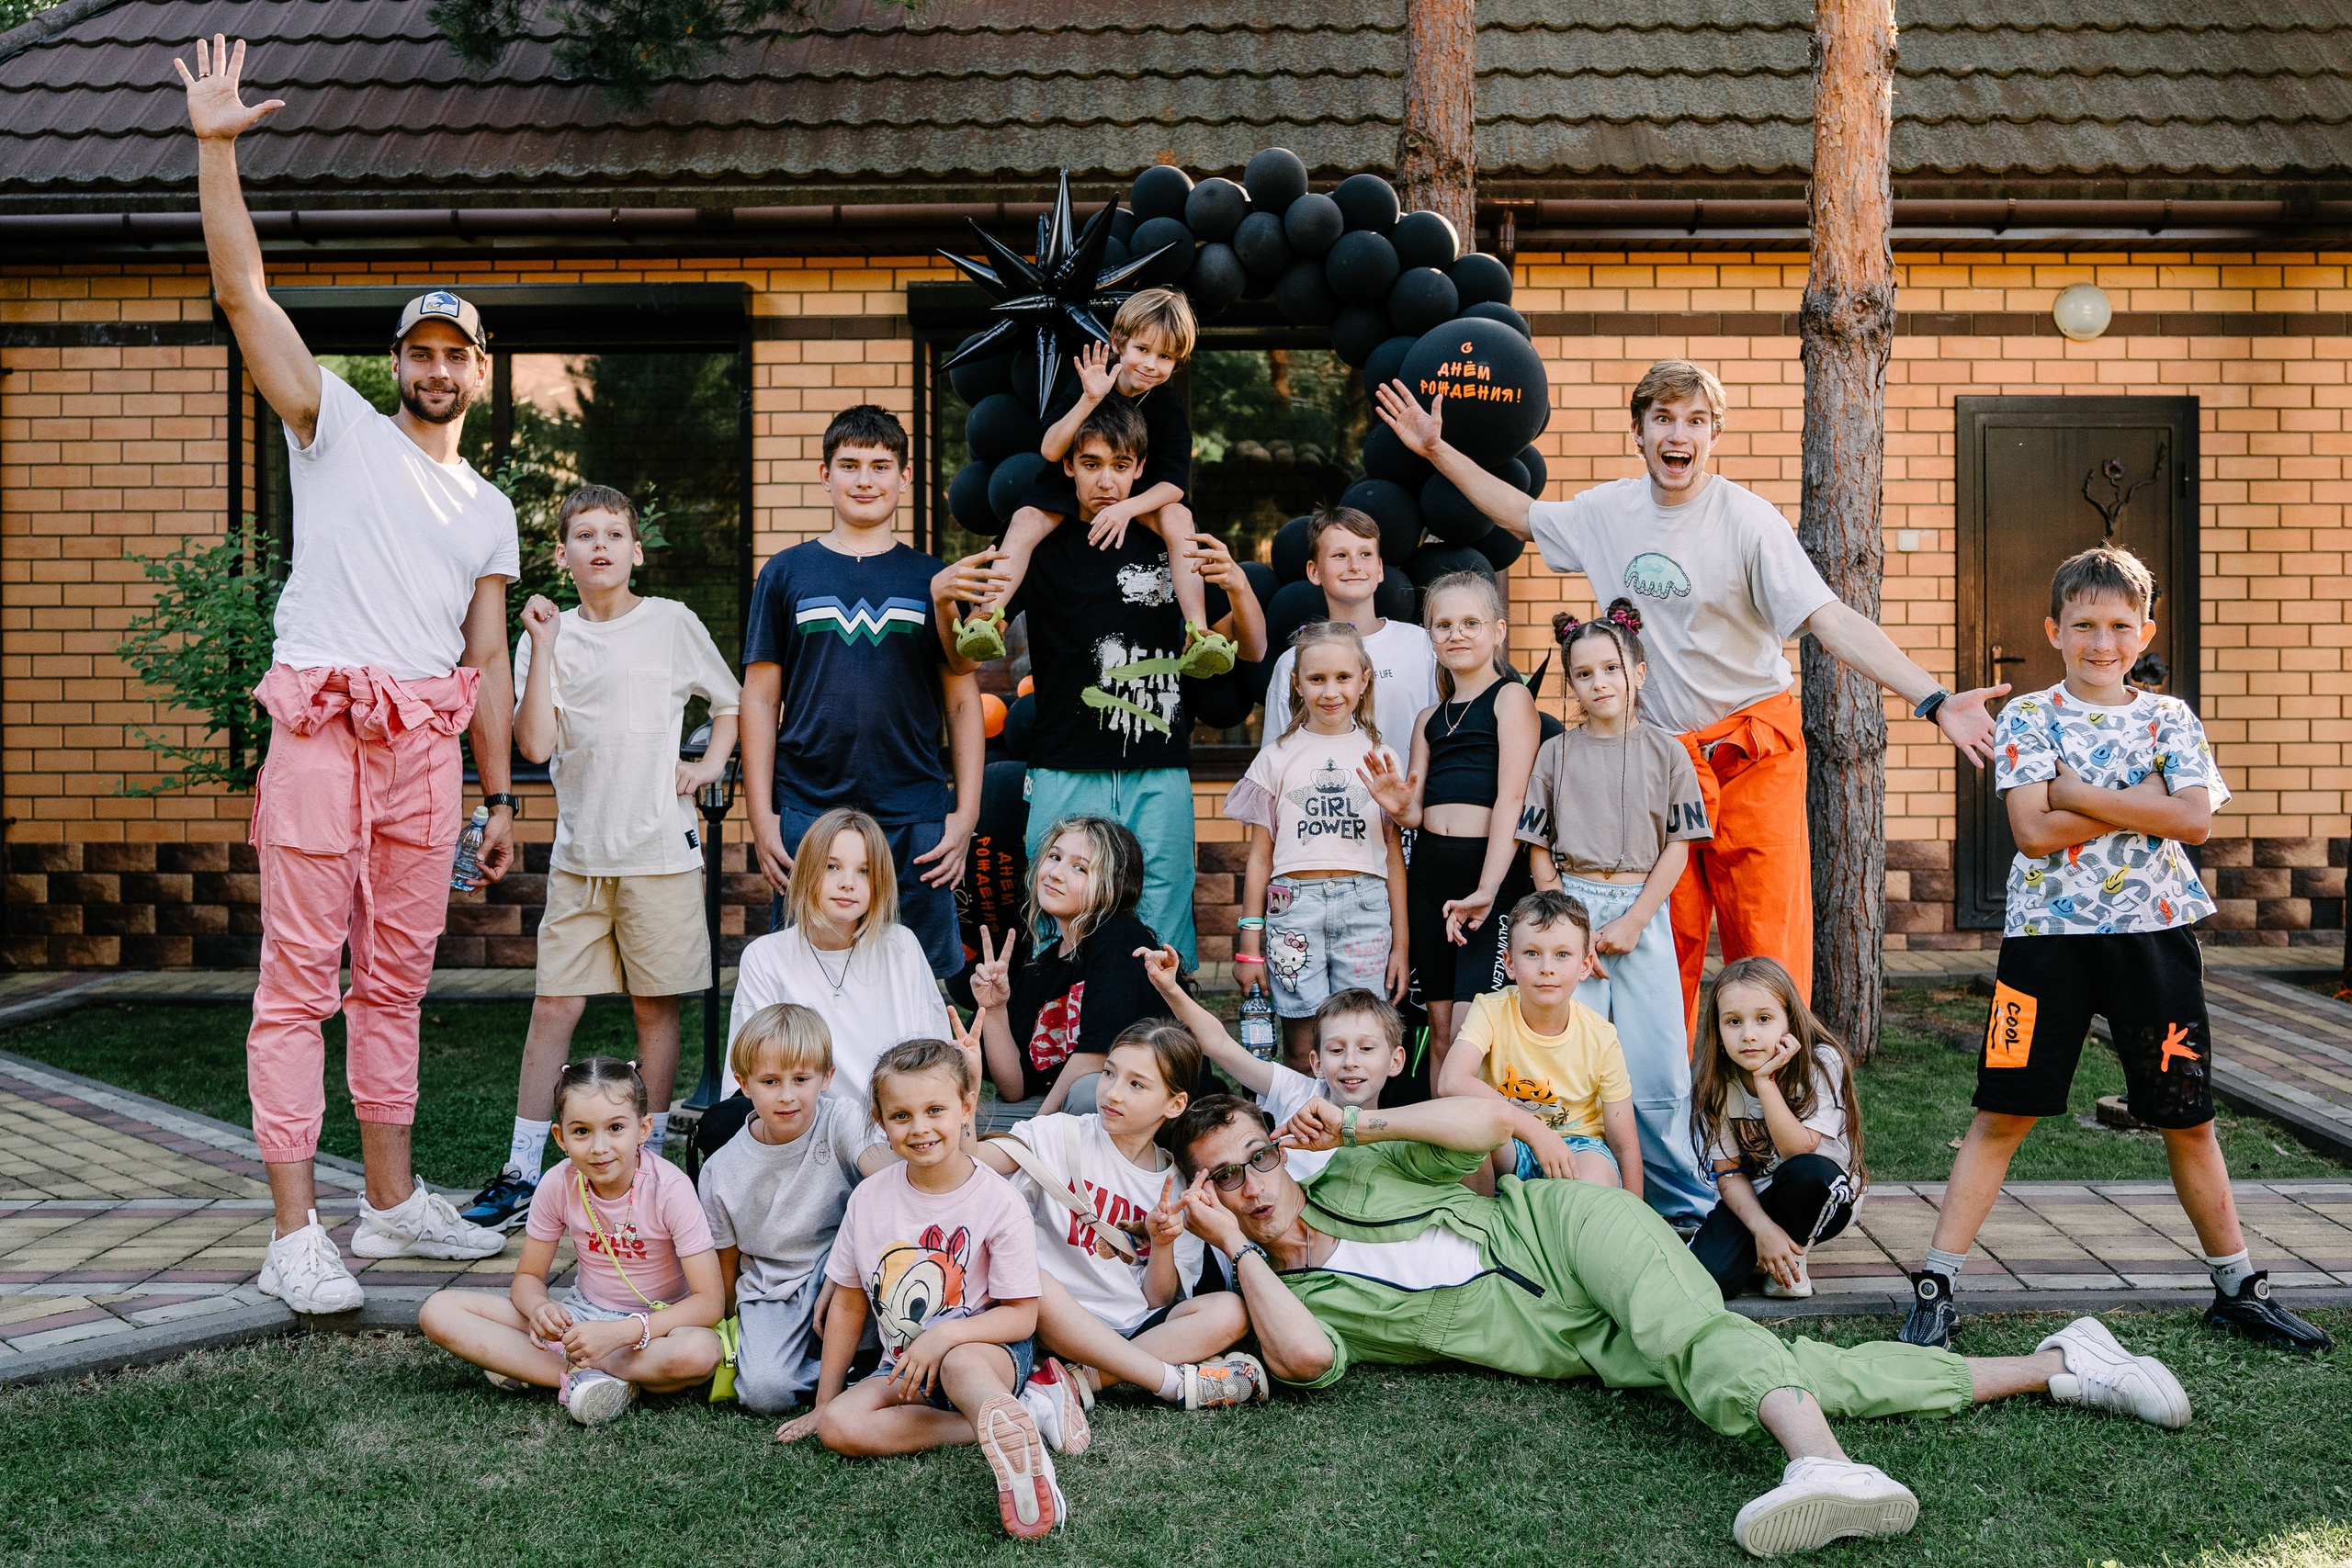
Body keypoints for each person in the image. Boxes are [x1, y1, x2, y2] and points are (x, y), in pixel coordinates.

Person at [1167, 1092, 2197, 1557]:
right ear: (1200, 1195)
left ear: (1281, 1153)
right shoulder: (1278, 1299)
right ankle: (2064, 1361)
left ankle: (1818, 1469)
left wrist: (1355, 1121)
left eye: (1259, 1159)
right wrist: (1244, 1250)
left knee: (1696, 1340)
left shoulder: (1353, 1169)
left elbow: (1484, 1125)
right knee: (1794, 1367)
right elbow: (1304, 1360)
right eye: (1222, 1179)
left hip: (1571, 1230)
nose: (1252, 1186)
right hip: (1573, 1345)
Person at [178, 36, 515, 1311]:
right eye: (420, 349)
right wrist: (217, 151)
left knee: (399, 980)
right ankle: (292, 1229)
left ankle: (386, 1205)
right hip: (323, 730)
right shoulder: (334, 426)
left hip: (428, 756)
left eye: (458, 353)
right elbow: (243, 293)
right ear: (397, 361)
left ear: (481, 373)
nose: (437, 368)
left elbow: (484, 654)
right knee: (297, 982)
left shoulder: (488, 506)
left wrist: (500, 797)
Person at [1375, 359, 2007, 1032]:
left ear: (1714, 435)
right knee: (1657, 947)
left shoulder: (1748, 521)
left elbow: (1830, 618)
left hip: (1752, 751)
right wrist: (1436, 448)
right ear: (1639, 432)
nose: (1681, 434)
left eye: (1696, 421)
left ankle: (1775, 1107)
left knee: (1767, 945)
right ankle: (1664, 1114)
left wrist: (1934, 698)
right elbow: (1521, 514)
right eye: (1665, 419)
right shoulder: (1607, 512)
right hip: (1659, 760)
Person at [1900, 546, 2333, 1355]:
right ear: (2054, 631)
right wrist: (2144, 803)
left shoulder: (2172, 719)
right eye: (2085, 625)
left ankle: (2238, 1287)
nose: (2102, 641)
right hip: (2045, 945)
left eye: (2119, 626)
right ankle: (1935, 1287)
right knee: (2001, 1114)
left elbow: (2196, 821)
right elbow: (2032, 834)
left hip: (2154, 938)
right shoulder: (2029, 716)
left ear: (2145, 633)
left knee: (2187, 1117)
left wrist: (2080, 793)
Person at [461, 485, 741, 1229]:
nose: (600, 545)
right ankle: (522, 1171)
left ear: (635, 550)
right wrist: (546, 648)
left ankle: (641, 1174)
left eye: (614, 533)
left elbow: (730, 701)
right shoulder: (544, 636)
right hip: (582, 858)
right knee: (554, 1006)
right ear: (563, 555)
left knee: (656, 1008)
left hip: (660, 856)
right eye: (583, 535)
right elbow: (536, 745)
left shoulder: (673, 623)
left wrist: (710, 762)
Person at [1001, 400, 1265, 970]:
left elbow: (1252, 648)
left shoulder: (1169, 543)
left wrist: (1240, 589)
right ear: (1068, 466)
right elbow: (977, 641)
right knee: (1055, 922)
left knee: (1161, 918)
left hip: (1156, 763)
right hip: (1065, 763)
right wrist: (957, 605)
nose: (1105, 479)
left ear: (1141, 469)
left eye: (1120, 465)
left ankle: (1160, 1047)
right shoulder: (1043, 542)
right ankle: (1057, 1046)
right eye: (1090, 463)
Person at [781, 1037, 1065, 1540]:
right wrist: (825, 1402)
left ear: (966, 1108)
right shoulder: (869, 1198)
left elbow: (1021, 1316)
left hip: (987, 1354)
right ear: (881, 1119)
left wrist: (941, 1339)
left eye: (935, 1109)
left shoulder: (998, 1200)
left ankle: (1007, 1424)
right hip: (904, 1368)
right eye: (901, 1115)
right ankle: (1018, 1423)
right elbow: (848, 1302)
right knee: (840, 1427)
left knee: (958, 1363)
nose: (920, 1128)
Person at [741, 404, 983, 982]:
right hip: (809, 807)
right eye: (849, 465)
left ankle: (920, 1079)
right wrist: (762, 817)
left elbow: (962, 700)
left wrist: (964, 816)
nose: (864, 480)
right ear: (825, 475)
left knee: (921, 980)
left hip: (915, 812)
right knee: (809, 981)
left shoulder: (935, 580)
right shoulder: (785, 573)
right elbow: (758, 699)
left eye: (880, 466)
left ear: (904, 478)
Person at [1517, 599, 1716, 1224]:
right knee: (1570, 1055)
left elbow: (1679, 848)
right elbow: (1538, 850)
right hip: (1572, 913)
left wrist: (1630, 922)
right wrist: (1573, 929)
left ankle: (1683, 1208)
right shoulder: (1556, 754)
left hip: (1640, 914)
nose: (1599, 682)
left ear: (1639, 671)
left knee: (1656, 1061)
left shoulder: (1668, 754)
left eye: (1612, 668)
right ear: (1571, 683)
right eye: (1584, 673)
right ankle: (1582, 1196)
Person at [972, 1018, 1264, 1414]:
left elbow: (1155, 1299)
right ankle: (1169, 1382)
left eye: (1136, 1084)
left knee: (1229, 1310)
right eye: (1109, 1073)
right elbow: (968, 1167)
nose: (1112, 1092)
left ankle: (1081, 1379)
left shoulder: (1179, 1188)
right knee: (1032, 1280)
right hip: (1056, 1319)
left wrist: (1162, 1243)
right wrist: (967, 1096)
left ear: (1174, 1104)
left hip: (1134, 1327)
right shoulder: (1058, 1135)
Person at [418, 1058, 725, 1426]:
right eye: (581, 1131)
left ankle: (567, 1370)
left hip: (654, 1328)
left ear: (643, 1129)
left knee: (699, 1353)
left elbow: (710, 1302)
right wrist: (538, 1309)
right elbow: (528, 1278)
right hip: (579, 1319)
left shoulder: (670, 1189)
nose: (599, 1147)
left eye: (615, 1128)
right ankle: (596, 1376)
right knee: (438, 1311)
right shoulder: (557, 1183)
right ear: (561, 1137)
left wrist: (618, 1334)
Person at [956, 288, 1232, 677]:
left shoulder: (1167, 405)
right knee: (1025, 522)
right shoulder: (1090, 381)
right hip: (1070, 490)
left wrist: (1126, 509)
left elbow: (1174, 485)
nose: (1151, 364)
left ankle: (1199, 633)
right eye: (1143, 349)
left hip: (1137, 497)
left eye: (1165, 357)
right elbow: (1051, 450)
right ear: (1119, 341)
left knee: (1179, 519)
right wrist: (1088, 399)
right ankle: (986, 617)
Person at [1360, 571, 1539, 1075]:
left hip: (1488, 877)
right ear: (1430, 636)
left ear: (1498, 631)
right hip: (1430, 878)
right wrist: (1397, 804)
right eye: (1443, 625)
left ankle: (1483, 1152)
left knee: (1470, 1034)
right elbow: (1417, 813)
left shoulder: (1510, 699)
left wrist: (1488, 887)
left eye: (1470, 623)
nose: (1456, 634)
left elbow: (1512, 799)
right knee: (1439, 1032)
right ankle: (1444, 1151)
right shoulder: (1427, 718)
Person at [1227, 622, 1411, 1067]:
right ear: (1297, 682)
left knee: (1362, 1041)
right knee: (1302, 1045)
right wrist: (1249, 944)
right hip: (1295, 910)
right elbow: (1260, 858)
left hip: (1365, 908)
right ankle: (1302, 1135)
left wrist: (1402, 945)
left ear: (1364, 679)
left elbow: (1392, 853)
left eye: (1344, 678)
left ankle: (1363, 1134)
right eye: (1317, 679)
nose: (1331, 691)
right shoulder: (1275, 757)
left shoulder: (1381, 756)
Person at [697, 1004, 876, 1416]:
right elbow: (726, 1260)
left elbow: (888, 1174)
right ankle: (857, 1375)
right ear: (743, 1084)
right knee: (763, 1393)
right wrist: (730, 1325)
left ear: (826, 1077)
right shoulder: (721, 1171)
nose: (787, 1095)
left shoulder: (842, 1119)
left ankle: (865, 1361)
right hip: (772, 1289)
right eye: (770, 1081)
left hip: (848, 1271)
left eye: (801, 1079)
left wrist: (842, 1267)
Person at [726, 808, 959, 1110]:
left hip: (894, 1125)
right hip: (799, 1126)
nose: (848, 883)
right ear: (808, 870)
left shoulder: (900, 946)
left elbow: (934, 1060)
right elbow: (749, 1074)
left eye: (864, 871)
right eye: (832, 867)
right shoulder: (765, 957)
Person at [1143, 944, 1407, 1184]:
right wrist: (1171, 989)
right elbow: (1219, 1044)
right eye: (1336, 1050)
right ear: (1316, 1063)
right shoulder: (1296, 1092)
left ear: (1395, 1061)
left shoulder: (1402, 1130)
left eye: (1366, 1049)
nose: (1350, 1062)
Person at [1439, 891, 1643, 1194]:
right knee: (1470, 1128)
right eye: (1532, 953)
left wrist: (1634, 1217)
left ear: (1585, 966)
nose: (1547, 967)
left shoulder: (1600, 1035)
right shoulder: (1490, 1009)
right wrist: (1535, 1131)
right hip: (1508, 1142)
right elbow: (1450, 1081)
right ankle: (1481, 1224)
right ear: (1509, 963)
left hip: (1579, 1146)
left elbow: (1624, 1146)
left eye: (1562, 955)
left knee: (1592, 1186)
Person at [1686, 958, 1865, 1302]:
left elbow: (1798, 1152)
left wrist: (1764, 1082)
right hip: (1757, 1197)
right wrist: (1760, 1228)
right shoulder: (1716, 1082)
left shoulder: (1821, 1063)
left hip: (1824, 1191)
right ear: (1719, 1032)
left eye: (1764, 1019)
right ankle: (1766, 1248)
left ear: (1790, 1022)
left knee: (1806, 1174)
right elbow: (1729, 1173)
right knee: (1710, 1279)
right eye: (1733, 1022)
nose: (1749, 1034)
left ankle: (1793, 1259)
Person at [971, 816, 1169, 1113]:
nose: (1055, 873)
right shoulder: (1043, 965)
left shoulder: (1119, 941)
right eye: (1054, 857)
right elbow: (1014, 1088)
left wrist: (1034, 1133)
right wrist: (996, 1010)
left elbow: (1096, 1055)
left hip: (1159, 1108)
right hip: (1074, 1114)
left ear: (1113, 885)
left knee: (1090, 1088)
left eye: (1080, 867)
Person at [1262, 506, 1440, 750]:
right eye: (1340, 555)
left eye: (1365, 554)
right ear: (1314, 571)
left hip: (1411, 788)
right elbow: (1275, 759)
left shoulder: (1421, 644)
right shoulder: (1294, 661)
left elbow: (1444, 735)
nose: (1355, 566)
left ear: (1379, 569)